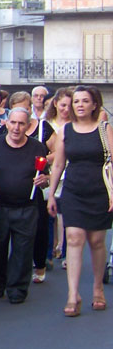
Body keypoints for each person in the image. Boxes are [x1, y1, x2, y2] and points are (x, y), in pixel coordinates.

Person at [47, 87, 113, 316]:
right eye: (76, 101)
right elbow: (58, 164)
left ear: (95, 104)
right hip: (73, 191)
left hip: (99, 191)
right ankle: (72, 295)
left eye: (86, 101)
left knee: (96, 241)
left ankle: (97, 288)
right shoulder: (65, 131)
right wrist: (52, 193)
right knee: (74, 238)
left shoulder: (105, 129)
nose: (80, 105)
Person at [0, 107, 50, 304]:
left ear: (28, 126)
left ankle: (17, 289)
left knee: (23, 249)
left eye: (21, 124)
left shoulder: (37, 148)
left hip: (26, 207)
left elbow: (46, 176)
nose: (17, 128)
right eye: (13, 123)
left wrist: (45, 180)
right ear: (6, 123)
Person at [45, 88, 74, 265]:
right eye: (63, 105)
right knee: (49, 213)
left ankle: (65, 252)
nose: (66, 109)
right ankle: (48, 251)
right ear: (56, 104)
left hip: (68, 173)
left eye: (70, 106)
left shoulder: (75, 126)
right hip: (49, 172)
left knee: (66, 215)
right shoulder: (46, 124)